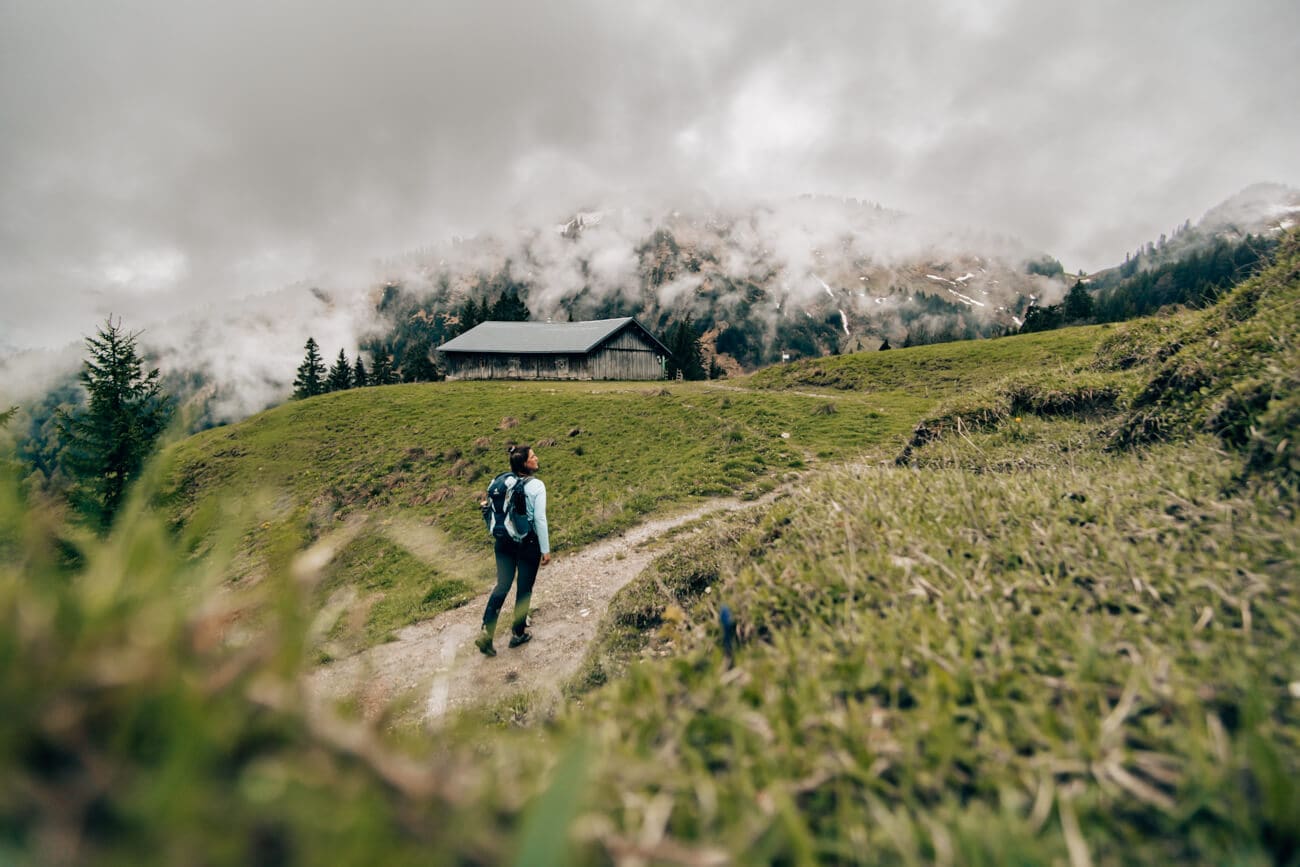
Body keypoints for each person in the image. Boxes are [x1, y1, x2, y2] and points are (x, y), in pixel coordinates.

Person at [475, 444, 551, 656]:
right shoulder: (536, 486)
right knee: (524, 588)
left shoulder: (503, 483)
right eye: (533, 456)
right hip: (528, 543)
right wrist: (545, 549)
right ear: (525, 464)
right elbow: (539, 519)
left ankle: (486, 633)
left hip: (504, 543)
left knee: (502, 586)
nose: (536, 458)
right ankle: (518, 634)